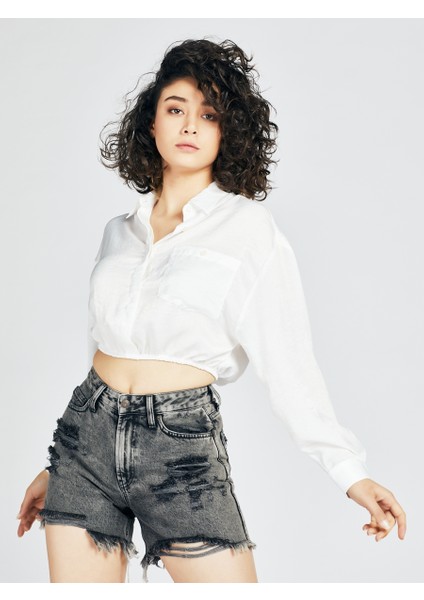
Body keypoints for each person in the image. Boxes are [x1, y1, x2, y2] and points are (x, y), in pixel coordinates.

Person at [16, 37, 406, 584]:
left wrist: (350, 473)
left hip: (180, 448)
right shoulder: (117, 232)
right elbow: (103, 345)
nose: (191, 126)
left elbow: (289, 363)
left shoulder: (248, 230)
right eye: (176, 109)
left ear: (228, 133)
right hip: (85, 443)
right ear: (152, 123)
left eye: (209, 115)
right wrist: (54, 464)